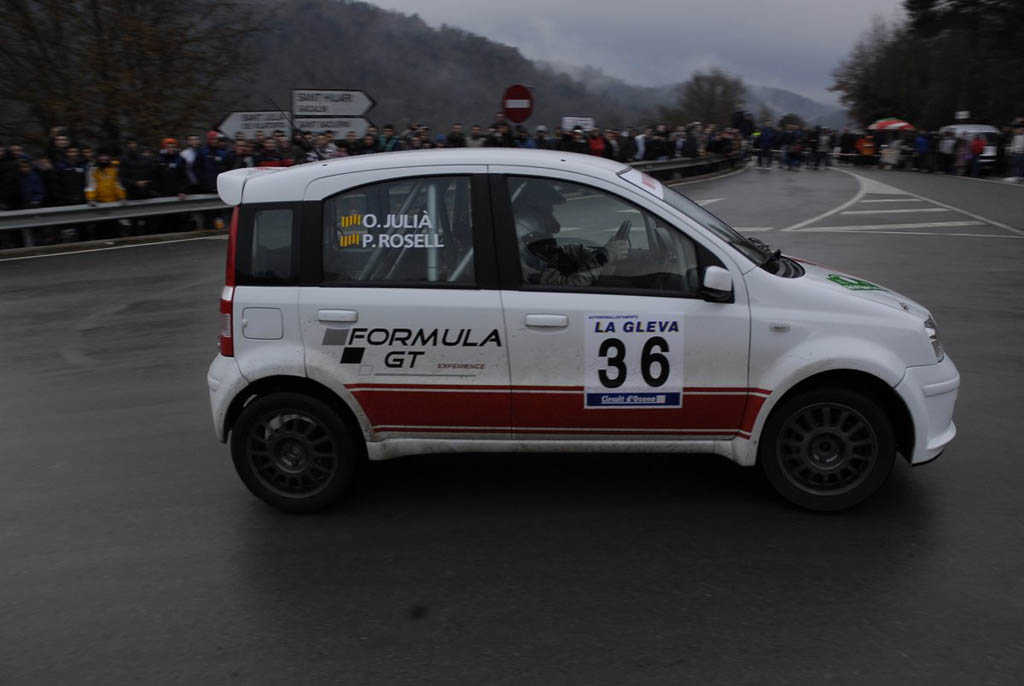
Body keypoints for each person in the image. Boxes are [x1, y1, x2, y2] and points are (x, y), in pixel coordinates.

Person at [513, 180, 628, 287]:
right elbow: (567, 286)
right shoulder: (526, 262)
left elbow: (563, 252)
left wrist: (600, 253)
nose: (556, 227)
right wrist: (602, 258)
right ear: (529, 218)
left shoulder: (536, 249)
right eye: (548, 213)